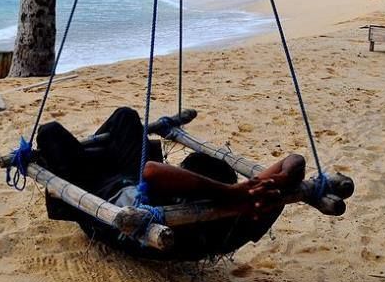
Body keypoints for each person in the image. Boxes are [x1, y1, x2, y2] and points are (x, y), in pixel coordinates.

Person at [36, 107, 305, 259]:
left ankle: (93, 157)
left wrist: (229, 192)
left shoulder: (176, 210)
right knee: (125, 117)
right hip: (132, 179)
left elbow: (152, 171)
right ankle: (98, 155)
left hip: (98, 190)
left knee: (49, 133)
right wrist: (274, 180)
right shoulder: (243, 213)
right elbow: (295, 160)